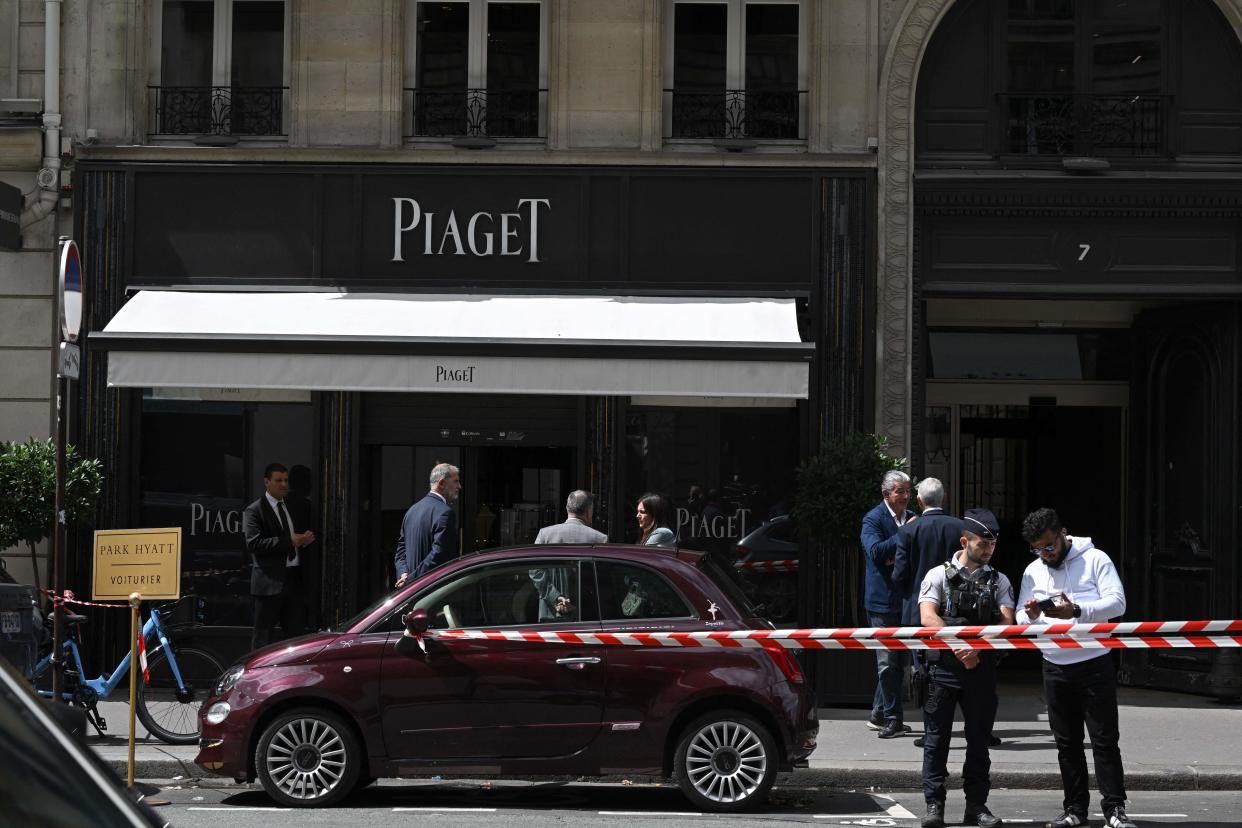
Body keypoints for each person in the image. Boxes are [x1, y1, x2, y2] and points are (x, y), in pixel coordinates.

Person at [1016, 508, 1137, 828]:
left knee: (1103, 740)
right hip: (1054, 665)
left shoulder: (1096, 559)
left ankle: (1114, 808)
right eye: (1037, 549)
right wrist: (1028, 615)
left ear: (1063, 533)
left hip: (1094, 662)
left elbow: (1118, 603)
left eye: (1049, 546)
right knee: (1066, 743)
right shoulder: (1033, 571)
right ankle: (1074, 810)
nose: (1045, 554)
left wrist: (1078, 610)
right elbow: (1019, 617)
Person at [917, 507, 1013, 828]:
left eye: (992, 545)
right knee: (936, 741)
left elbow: (1006, 621)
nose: (988, 550)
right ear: (964, 541)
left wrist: (976, 648)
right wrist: (960, 645)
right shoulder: (937, 575)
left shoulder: (999, 580)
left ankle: (976, 807)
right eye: (982, 544)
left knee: (979, 742)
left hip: (980, 670)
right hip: (944, 669)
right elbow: (928, 617)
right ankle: (934, 807)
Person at [893, 477, 965, 747]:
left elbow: (899, 574)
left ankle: (931, 730)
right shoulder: (960, 527)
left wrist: (909, 594)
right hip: (956, 608)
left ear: (919, 501)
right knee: (962, 667)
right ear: (943, 498)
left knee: (924, 671)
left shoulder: (909, 532)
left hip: (919, 610)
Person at [859, 470, 914, 739]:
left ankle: (878, 712)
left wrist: (896, 555)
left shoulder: (912, 516)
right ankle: (893, 718)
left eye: (908, 491)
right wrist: (903, 536)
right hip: (881, 603)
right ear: (886, 494)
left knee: (899, 661)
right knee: (886, 663)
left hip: (903, 600)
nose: (906, 496)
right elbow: (876, 552)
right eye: (900, 492)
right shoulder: (873, 519)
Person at [243, 463, 316, 650]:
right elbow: (254, 544)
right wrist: (289, 542)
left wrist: (305, 540)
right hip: (268, 583)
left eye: (286, 480)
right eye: (278, 481)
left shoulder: (294, 506)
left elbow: (298, 537)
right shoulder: (255, 510)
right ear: (267, 482)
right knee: (263, 638)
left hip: (294, 579)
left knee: (295, 637)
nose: (283, 485)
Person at [530, 490, 606, 621]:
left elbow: (535, 572)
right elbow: (602, 580)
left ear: (567, 508)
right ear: (589, 511)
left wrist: (555, 597)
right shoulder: (599, 539)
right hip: (586, 615)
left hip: (550, 614)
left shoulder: (545, 535)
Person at [393, 463, 461, 588]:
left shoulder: (411, 511)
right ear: (441, 483)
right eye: (455, 481)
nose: (459, 486)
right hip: (432, 590)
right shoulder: (445, 513)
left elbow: (400, 553)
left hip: (411, 591)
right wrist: (410, 580)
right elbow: (439, 555)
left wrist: (404, 575)